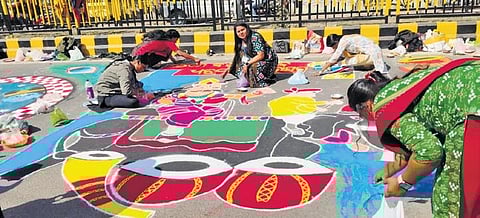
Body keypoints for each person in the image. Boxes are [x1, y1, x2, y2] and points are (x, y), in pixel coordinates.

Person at [346, 58, 480, 218]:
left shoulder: (384, 108)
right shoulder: (400, 89)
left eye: (360, 114)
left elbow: (429, 152)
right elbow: (412, 144)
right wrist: (387, 172)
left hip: (473, 115)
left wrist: (402, 183)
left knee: (450, 198)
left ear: (366, 106)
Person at [94, 53, 163, 108]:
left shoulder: (130, 68)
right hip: (106, 94)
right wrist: (142, 95)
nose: (143, 70)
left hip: (116, 89)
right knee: (133, 102)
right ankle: (106, 102)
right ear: (137, 62)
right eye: (143, 67)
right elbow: (126, 91)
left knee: (140, 85)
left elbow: (134, 83)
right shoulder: (124, 70)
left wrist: (139, 89)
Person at [221, 22, 278, 88]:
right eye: (238, 31)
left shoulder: (255, 37)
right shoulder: (240, 40)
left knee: (252, 67)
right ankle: (250, 77)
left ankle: (263, 79)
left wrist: (247, 64)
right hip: (254, 58)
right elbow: (238, 56)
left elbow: (261, 55)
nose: (241, 33)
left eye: (243, 30)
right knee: (239, 66)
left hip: (268, 60)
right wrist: (229, 68)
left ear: (247, 29)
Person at [318, 34, 387, 75]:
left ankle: (370, 66)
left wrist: (322, 70)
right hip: (369, 53)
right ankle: (369, 66)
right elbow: (339, 57)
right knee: (344, 61)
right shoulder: (344, 39)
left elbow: (335, 57)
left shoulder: (343, 41)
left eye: (333, 46)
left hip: (374, 52)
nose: (333, 48)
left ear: (336, 42)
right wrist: (330, 65)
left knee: (381, 73)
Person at [131, 29, 200, 65]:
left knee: (165, 54)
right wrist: (194, 59)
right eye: (176, 39)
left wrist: (175, 62)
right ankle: (148, 64)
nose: (176, 41)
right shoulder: (168, 42)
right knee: (164, 56)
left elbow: (168, 53)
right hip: (139, 56)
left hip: (136, 52)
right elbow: (180, 53)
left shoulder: (162, 39)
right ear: (172, 37)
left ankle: (149, 64)